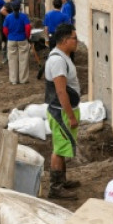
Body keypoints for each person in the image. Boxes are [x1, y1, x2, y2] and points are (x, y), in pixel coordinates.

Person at [44, 24, 82, 198]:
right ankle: (55, 188)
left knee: (63, 146)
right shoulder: (57, 61)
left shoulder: (63, 57)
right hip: (61, 112)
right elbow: (61, 91)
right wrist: (70, 116)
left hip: (63, 111)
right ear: (65, 40)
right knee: (59, 150)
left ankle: (62, 181)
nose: (77, 41)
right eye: (74, 38)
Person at [3, 2, 32, 84]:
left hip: (11, 40)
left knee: (12, 60)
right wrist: (27, 36)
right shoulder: (24, 16)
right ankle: (23, 79)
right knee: (24, 60)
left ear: (12, 8)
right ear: (20, 8)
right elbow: (28, 27)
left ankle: (13, 80)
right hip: (22, 39)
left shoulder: (8, 17)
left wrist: (9, 36)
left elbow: (5, 29)